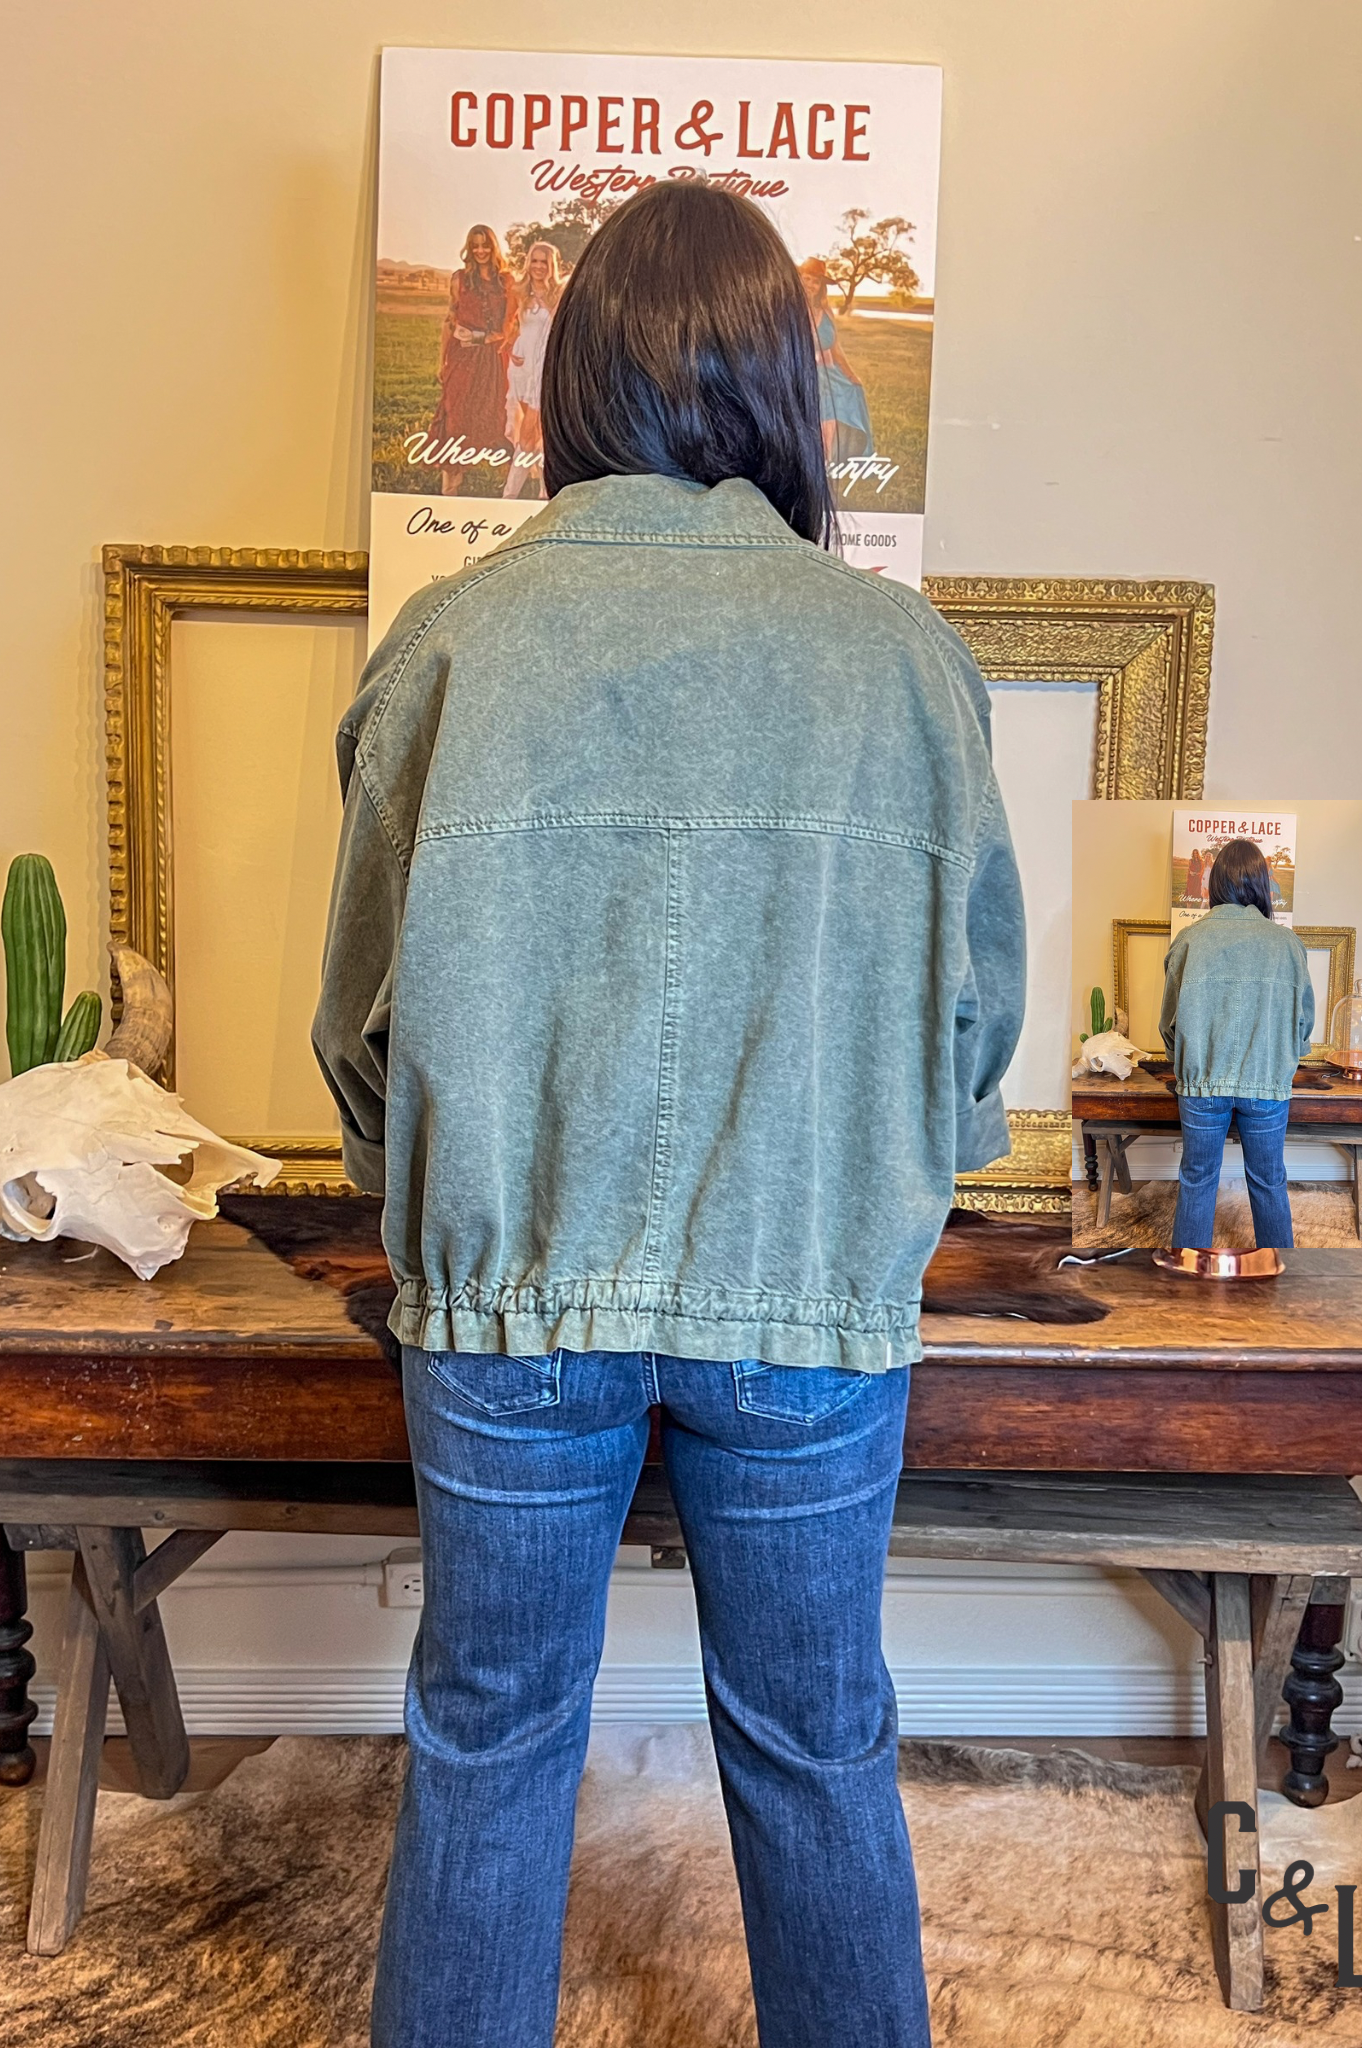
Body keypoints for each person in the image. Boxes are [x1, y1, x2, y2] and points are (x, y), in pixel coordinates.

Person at [314, 178, 1025, 2048]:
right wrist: (875, 1193)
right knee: (816, 1738)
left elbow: (360, 1042)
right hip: (806, 1293)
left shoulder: (452, 644)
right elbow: (970, 1043)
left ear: (572, 376)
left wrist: (446, 1218)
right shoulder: (903, 665)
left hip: (507, 1298)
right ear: (789, 385)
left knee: (488, 1732)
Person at [1160, 838, 1314, 1249]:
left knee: (1197, 1178)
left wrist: (1186, 1064)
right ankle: (1279, 1272)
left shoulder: (1189, 941)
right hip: (1267, 1083)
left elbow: (1169, 1028)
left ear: (1215, 883)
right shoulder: (1288, 945)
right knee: (1269, 1180)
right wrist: (1284, 1061)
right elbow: (1303, 1027)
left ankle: (1188, 1275)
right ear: (1263, 884)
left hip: (1201, 1083)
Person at [426, 223, 511, 496]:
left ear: (493, 247)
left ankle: (510, 480)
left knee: (493, 414)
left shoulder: (506, 281)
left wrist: (484, 338)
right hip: (461, 356)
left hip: (492, 358)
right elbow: (450, 320)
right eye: (475, 245)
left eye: (485, 245)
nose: (480, 250)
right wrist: (442, 361)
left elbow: (510, 326)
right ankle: (451, 483)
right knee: (455, 413)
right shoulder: (459, 279)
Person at [502, 239, 566, 499]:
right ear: (529, 263)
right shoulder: (519, 292)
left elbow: (558, 328)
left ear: (551, 266)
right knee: (530, 429)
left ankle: (512, 495)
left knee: (536, 429)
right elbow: (511, 325)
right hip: (522, 366)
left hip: (546, 367)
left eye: (544, 262)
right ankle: (543, 491)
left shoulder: (558, 293)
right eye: (535, 261)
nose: (538, 266)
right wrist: (513, 347)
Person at [798, 256, 874, 460]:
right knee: (823, 397)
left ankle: (828, 458)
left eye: (816, 281)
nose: (811, 285)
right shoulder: (791, 310)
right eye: (807, 279)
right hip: (800, 370)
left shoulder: (825, 311)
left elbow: (836, 349)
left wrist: (851, 375)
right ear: (799, 279)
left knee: (847, 391)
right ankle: (818, 458)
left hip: (826, 371)